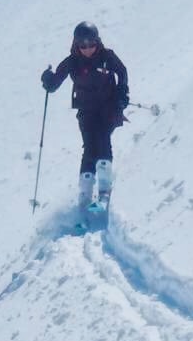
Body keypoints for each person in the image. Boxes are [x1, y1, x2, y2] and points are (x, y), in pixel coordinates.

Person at [41, 21, 129, 210]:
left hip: (109, 108)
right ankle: (85, 195)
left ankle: (104, 190)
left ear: (97, 42)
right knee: (90, 146)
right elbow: (54, 84)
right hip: (86, 111)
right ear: (76, 44)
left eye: (91, 44)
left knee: (103, 139)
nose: (87, 49)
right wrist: (47, 79)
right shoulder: (72, 62)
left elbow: (122, 72)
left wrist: (122, 96)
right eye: (83, 45)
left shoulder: (107, 56)